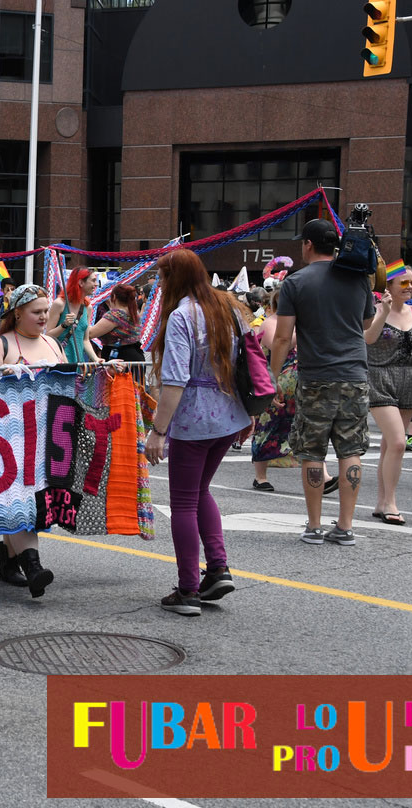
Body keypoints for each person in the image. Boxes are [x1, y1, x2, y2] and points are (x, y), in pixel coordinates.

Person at [145, 249, 252, 616]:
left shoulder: (181, 316)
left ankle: (189, 587)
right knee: (200, 492)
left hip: (195, 420)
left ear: (175, 278)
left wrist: (158, 432)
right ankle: (218, 568)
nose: (159, 284)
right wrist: (249, 412)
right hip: (230, 415)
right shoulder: (231, 307)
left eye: (162, 277)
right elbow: (248, 365)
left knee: (184, 503)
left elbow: (174, 381)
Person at [269, 219, 377, 547]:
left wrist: (274, 377)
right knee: (351, 450)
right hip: (355, 376)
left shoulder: (296, 282)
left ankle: (314, 526)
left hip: (315, 377)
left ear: (308, 245)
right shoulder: (359, 279)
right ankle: (345, 526)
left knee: (313, 451)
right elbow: (366, 325)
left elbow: (283, 337)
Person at [0, 284, 66, 598]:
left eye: (45, 312)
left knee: (28, 501)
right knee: (18, 500)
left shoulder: (53, 344)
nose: (44, 317)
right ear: (17, 313)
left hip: (46, 437)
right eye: (36, 312)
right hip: (5, 440)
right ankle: (33, 568)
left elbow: (70, 382)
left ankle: (9, 565)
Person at [364, 267, 412, 525]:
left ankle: (381, 502)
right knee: (398, 442)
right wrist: (382, 313)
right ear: (389, 285)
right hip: (379, 378)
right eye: (404, 282)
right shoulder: (374, 309)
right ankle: (391, 503)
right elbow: (367, 341)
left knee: (390, 443)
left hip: (409, 379)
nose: (410, 286)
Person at [251, 285, 337, 494]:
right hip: (278, 382)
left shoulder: (302, 323)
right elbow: (278, 344)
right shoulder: (271, 323)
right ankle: (260, 476)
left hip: (306, 382)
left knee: (309, 429)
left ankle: (323, 476)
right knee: (269, 426)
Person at [47, 267, 103, 365]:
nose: (96, 284)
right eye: (93, 280)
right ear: (81, 283)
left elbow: (85, 340)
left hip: (79, 363)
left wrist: (96, 359)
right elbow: (47, 336)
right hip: (60, 363)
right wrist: (64, 325)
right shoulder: (60, 304)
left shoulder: (87, 307)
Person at [88, 283, 145, 363]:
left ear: (114, 297)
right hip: (136, 357)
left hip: (119, 360)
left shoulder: (116, 315)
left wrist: (87, 314)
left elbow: (90, 334)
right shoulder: (134, 312)